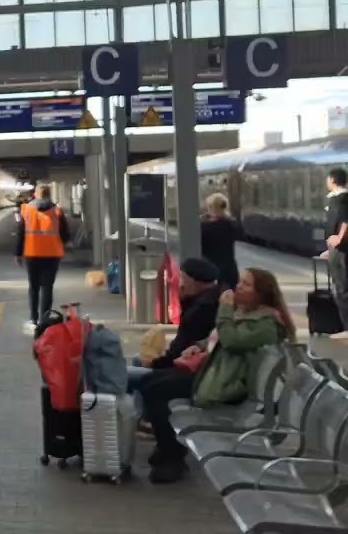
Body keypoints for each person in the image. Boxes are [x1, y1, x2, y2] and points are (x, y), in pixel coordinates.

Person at [138, 267, 294, 484]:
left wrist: (225, 309)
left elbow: (232, 340)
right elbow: (222, 337)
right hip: (216, 374)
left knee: (157, 390)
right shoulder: (248, 314)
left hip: (228, 387)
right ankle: (168, 448)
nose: (238, 286)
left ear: (261, 294)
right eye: (240, 282)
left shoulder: (266, 324)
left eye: (247, 284)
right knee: (149, 382)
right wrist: (199, 346)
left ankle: (172, 456)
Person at [126, 258, 221, 418]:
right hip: (185, 364)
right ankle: (145, 417)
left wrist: (155, 363)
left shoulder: (201, 310)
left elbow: (181, 349)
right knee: (136, 362)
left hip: (186, 369)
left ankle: (146, 418)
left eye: (182, 279)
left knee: (123, 375)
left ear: (193, 281)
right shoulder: (206, 301)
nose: (180, 284)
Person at [16, 184, 70, 327]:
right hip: (52, 254)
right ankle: (44, 319)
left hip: (32, 254)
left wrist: (18, 253)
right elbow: (65, 235)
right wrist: (62, 243)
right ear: (49, 194)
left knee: (33, 287)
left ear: (36, 194)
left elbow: (21, 233)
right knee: (47, 287)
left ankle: (33, 319)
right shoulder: (57, 211)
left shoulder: (27, 210)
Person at [200, 193, 243, 292]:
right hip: (230, 270)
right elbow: (241, 234)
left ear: (210, 208)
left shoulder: (204, 227)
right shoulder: (232, 225)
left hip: (210, 270)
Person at [325, 167, 348, 340]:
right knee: (341, 288)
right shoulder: (336, 199)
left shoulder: (342, 199)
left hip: (342, 250)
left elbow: (345, 221)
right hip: (337, 249)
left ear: (332, 180)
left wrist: (339, 240)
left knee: (342, 289)